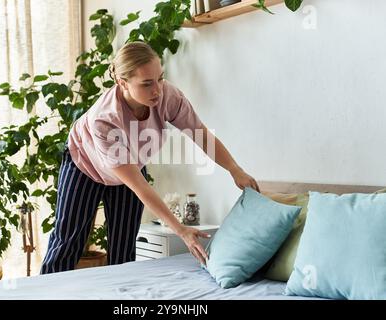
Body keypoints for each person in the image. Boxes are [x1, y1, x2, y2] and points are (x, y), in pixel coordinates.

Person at [40, 41, 259, 274]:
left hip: (130, 165)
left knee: (124, 247)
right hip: (84, 164)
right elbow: (139, 185)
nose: (157, 90)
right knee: (68, 240)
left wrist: (235, 169)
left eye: (160, 78)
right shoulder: (104, 119)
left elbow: (201, 134)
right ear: (122, 83)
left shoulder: (168, 96)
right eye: (146, 84)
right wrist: (181, 230)